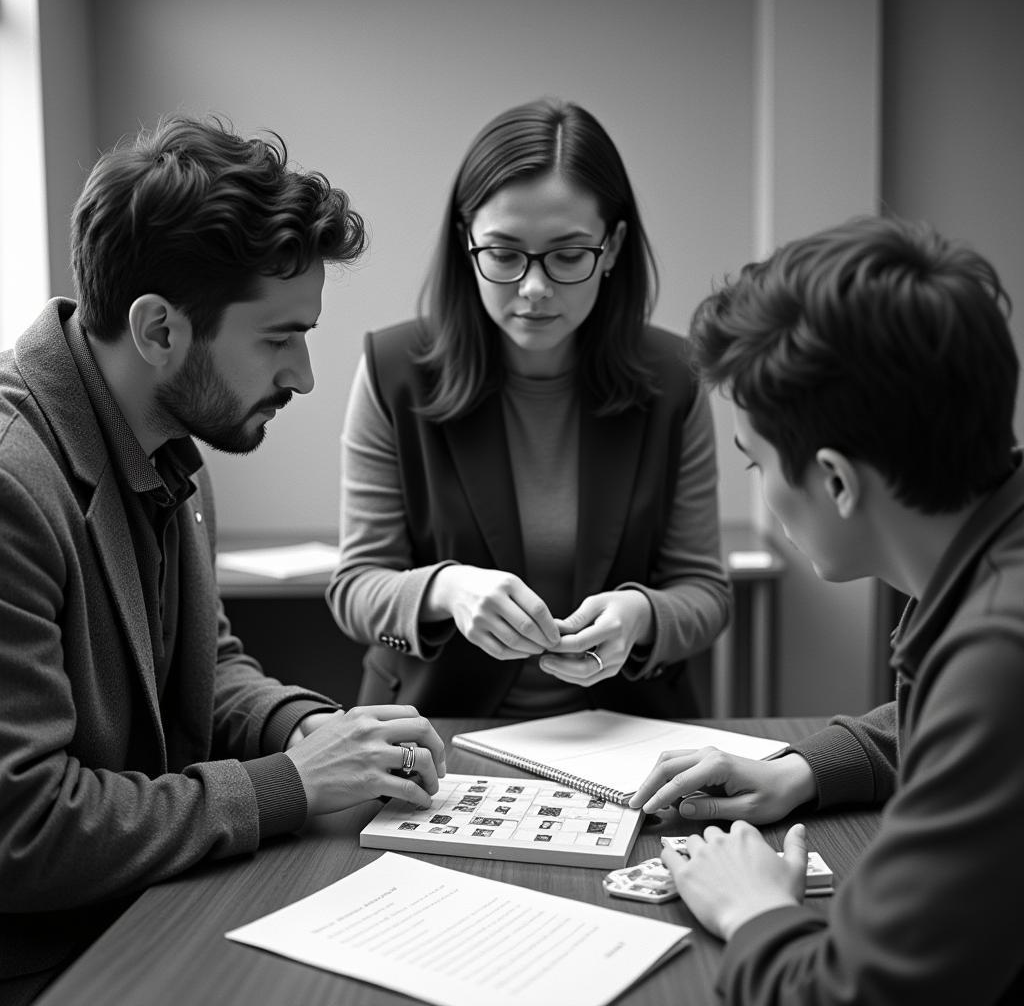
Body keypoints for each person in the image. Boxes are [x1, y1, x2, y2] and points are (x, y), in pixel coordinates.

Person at [0, 115, 445, 1004]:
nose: (307, 375)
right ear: (159, 329)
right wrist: (286, 784)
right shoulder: (13, 485)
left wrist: (305, 729)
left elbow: (209, 663)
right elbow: (25, 830)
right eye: (279, 338)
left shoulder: (167, 440)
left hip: (142, 909)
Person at [628, 215, 1024, 1004]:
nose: (762, 493)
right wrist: (802, 770)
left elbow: (853, 994)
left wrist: (752, 909)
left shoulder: (1000, 656)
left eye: (757, 462)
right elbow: (947, 727)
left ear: (837, 482)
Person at [326, 97, 731, 719]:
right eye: (505, 254)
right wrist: (447, 589)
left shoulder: (673, 378)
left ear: (614, 247)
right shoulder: (394, 370)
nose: (534, 289)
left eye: (569, 256)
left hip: (627, 736)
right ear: (467, 244)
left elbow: (705, 592)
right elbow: (355, 587)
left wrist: (642, 615)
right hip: (437, 730)